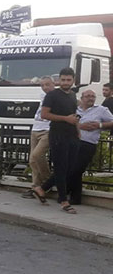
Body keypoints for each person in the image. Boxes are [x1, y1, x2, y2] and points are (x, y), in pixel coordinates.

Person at [30, 67, 79, 213]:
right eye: (63, 80)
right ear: (59, 80)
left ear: (73, 80)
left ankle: (41, 188)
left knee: (70, 168)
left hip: (72, 135)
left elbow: (73, 115)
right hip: (57, 134)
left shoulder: (72, 95)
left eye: (68, 80)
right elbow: (45, 114)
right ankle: (64, 201)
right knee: (60, 168)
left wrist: (78, 131)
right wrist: (65, 119)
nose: (65, 82)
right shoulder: (52, 95)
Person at [69, 90, 113, 205]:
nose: (91, 98)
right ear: (82, 98)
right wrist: (80, 125)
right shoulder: (74, 110)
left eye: (93, 96)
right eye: (88, 96)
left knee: (77, 169)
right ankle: (74, 198)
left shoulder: (101, 110)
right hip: (73, 142)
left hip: (88, 144)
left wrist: (100, 125)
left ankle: (48, 189)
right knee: (71, 169)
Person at [21, 76, 56, 198]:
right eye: (42, 85)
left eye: (47, 84)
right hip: (36, 128)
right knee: (32, 160)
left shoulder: (58, 96)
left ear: (53, 84)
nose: (45, 87)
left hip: (47, 129)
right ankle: (35, 187)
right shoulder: (43, 96)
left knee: (37, 155)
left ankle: (48, 182)